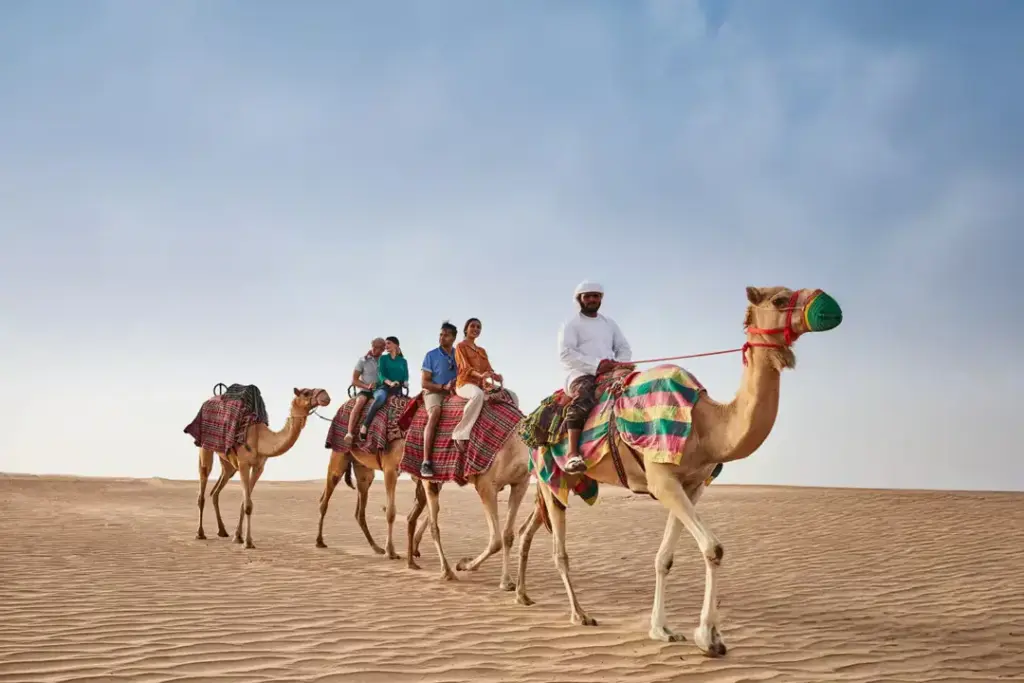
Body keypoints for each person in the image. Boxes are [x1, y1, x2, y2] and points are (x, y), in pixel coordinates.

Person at [557, 280, 633, 474]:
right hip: (580, 373)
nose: (592, 299)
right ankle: (573, 455)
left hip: (610, 372)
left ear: (601, 299)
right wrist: (597, 365)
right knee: (584, 398)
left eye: (596, 296)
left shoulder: (609, 324)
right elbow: (565, 354)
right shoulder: (571, 324)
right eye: (588, 296)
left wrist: (619, 364)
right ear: (580, 299)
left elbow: (623, 348)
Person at [451, 317, 518, 452]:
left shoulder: (482, 350)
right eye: (473, 326)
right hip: (465, 383)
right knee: (477, 395)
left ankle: (510, 430)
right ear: (466, 329)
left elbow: (488, 369)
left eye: (478, 327)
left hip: (482, 383)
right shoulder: (460, 347)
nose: (476, 329)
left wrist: (495, 376)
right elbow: (465, 368)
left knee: (512, 395)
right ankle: (460, 434)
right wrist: (480, 375)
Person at [419, 321, 459, 478]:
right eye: (441, 334)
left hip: (455, 392)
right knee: (435, 412)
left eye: (446, 335)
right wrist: (443, 387)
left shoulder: (458, 355)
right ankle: (426, 462)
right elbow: (425, 382)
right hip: (435, 392)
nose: (442, 338)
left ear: (453, 338)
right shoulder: (431, 355)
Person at [359, 335, 409, 437]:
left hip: (397, 390)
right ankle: (365, 426)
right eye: (385, 344)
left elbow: (405, 376)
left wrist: (404, 382)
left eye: (388, 343)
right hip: (383, 387)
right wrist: (390, 383)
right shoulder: (383, 358)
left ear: (396, 345)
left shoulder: (403, 361)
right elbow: (381, 375)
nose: (386, 346)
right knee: (381, 398)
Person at [343, 337, 385, 448]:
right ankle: (349, 433)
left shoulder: (385, 360)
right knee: (360, 401)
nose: (378, 350)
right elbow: (354, 380)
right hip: (365, 390)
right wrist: (367, 386)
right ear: (372, 346)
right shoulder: (363, 360)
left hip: (380, 390)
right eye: (376, 347)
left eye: (381, 348)